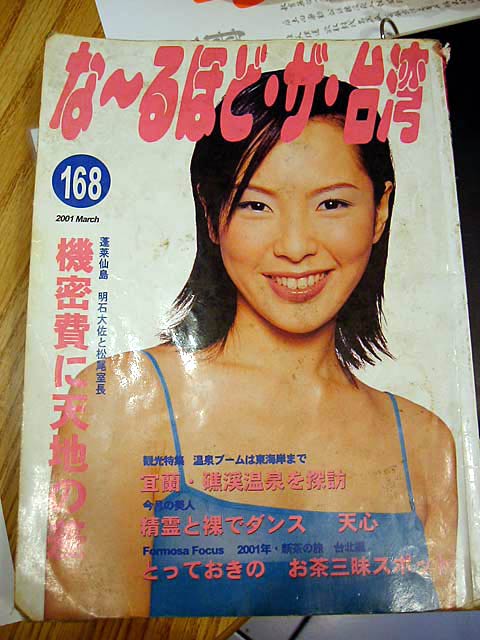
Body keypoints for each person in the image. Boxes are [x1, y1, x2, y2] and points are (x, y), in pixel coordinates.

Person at [45, 71, 457, 619]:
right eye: (255, 205)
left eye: (332, 204)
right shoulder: (120, 399)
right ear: (211, 213)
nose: (295, 247)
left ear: (380, 210)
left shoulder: (426, 444)